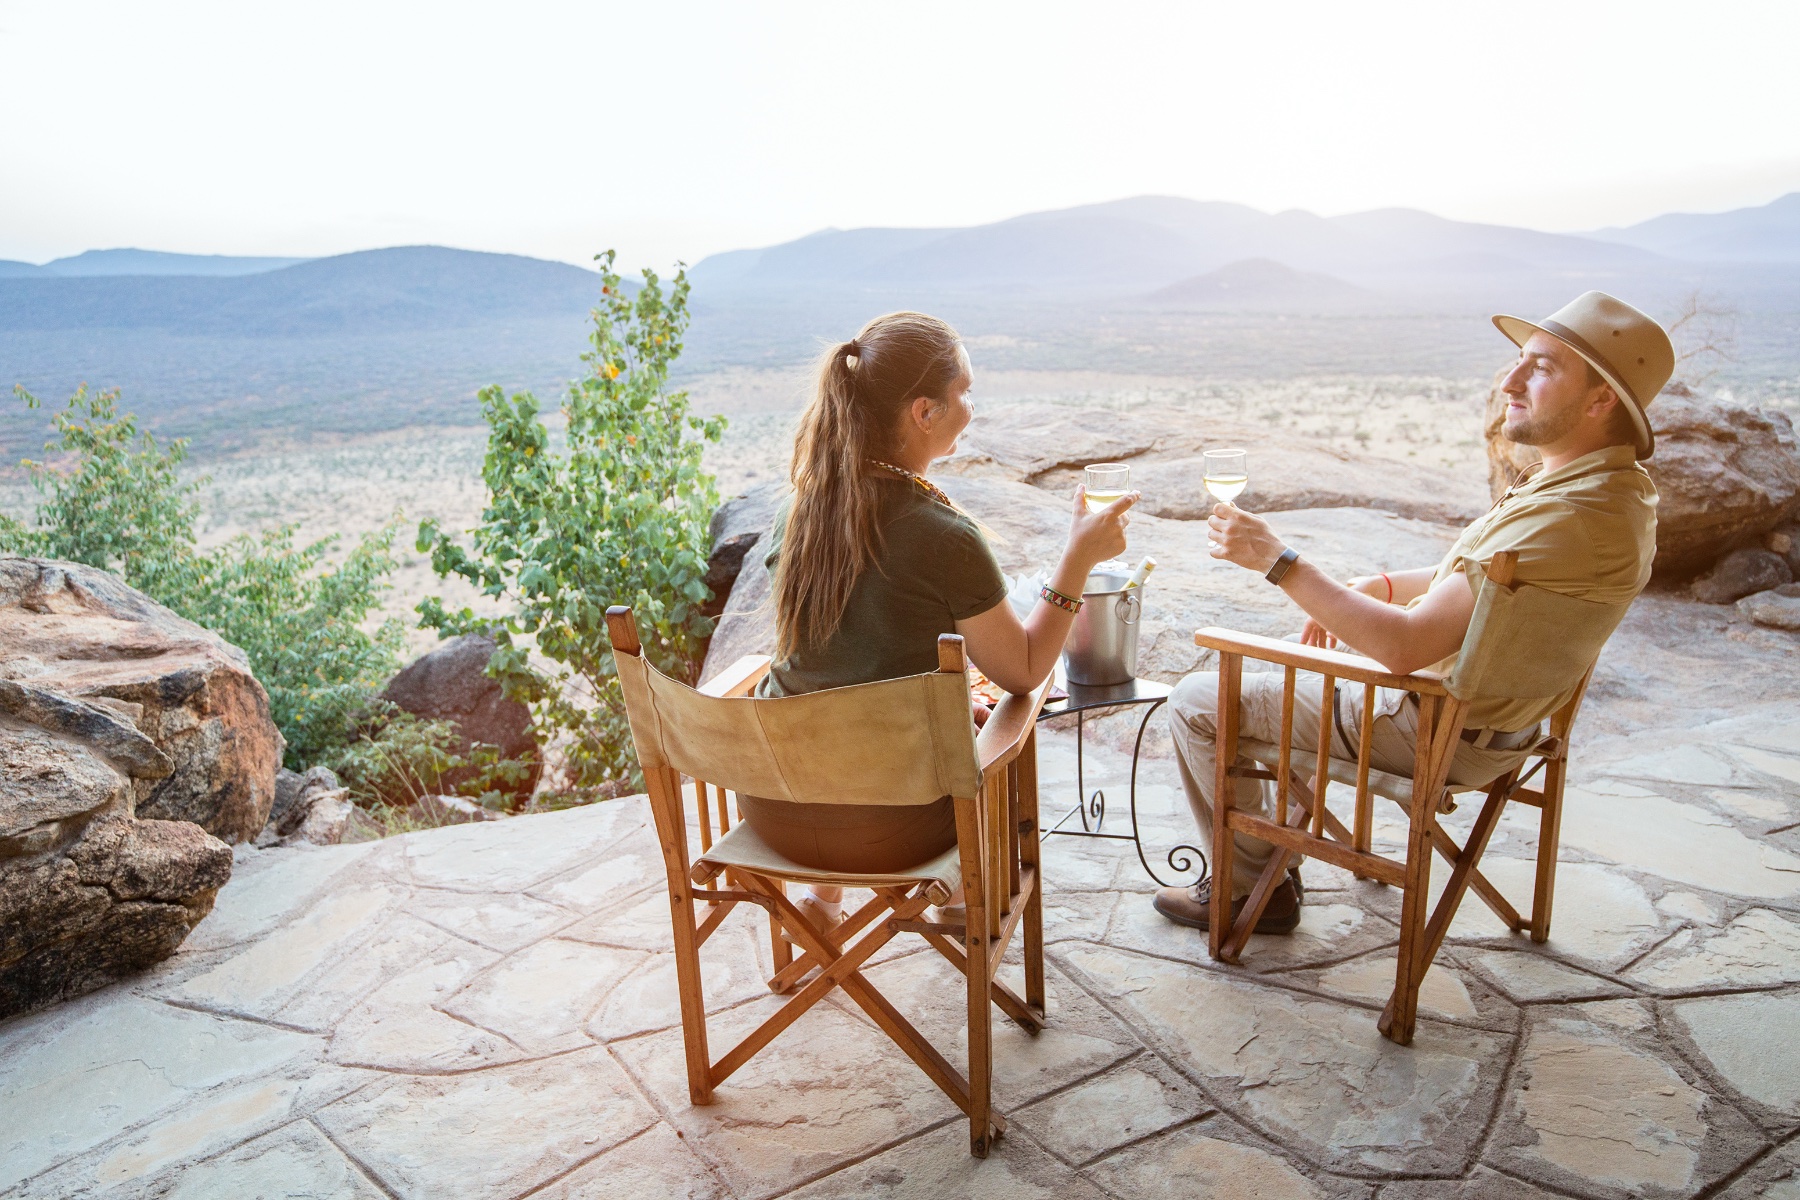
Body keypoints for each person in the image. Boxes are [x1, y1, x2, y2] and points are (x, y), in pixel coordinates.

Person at [1155, 291, 1672, 934]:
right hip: (1506, 729)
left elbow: (1404, 649)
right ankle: (1267, 866)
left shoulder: (1563, 516)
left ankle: (1243, 890)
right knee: (1300, 660)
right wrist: (1381, 583)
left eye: (1540, 368)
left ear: (1601, 401)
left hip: (1427, 725)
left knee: (1202, 698)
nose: (1509, 381)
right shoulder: (1611, 493)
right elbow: (1490, 588)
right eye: (1519, 360)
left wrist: (1276, 559)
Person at [748, 310, 1136, 931]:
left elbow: (842, 660)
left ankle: (821, 904)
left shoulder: (798, 513)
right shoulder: (943, 537)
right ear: (924, 413)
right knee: (993, 730)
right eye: (965, 393)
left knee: (850, 727)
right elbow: (1025, 670)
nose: (972, 409)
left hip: (778, 814)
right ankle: (960, 903)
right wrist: (1079, 556)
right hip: (895, 831)